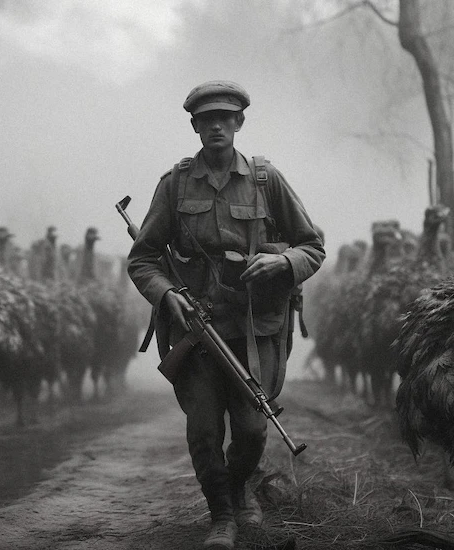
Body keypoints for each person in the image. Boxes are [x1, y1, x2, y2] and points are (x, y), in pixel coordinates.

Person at [128, 80, 324, 549]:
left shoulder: (265, 180)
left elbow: (312, 246)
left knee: (254, 429)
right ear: (195, 126)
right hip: (195, 332)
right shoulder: (174, 183)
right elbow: (143, 258)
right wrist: (163, 293)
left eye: (225, 117)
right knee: (203, 430)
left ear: (239, 123)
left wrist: (283, 261)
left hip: (254, 329)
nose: (216, 125)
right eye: (206, 119)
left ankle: (238, 488)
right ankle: (221, 515)